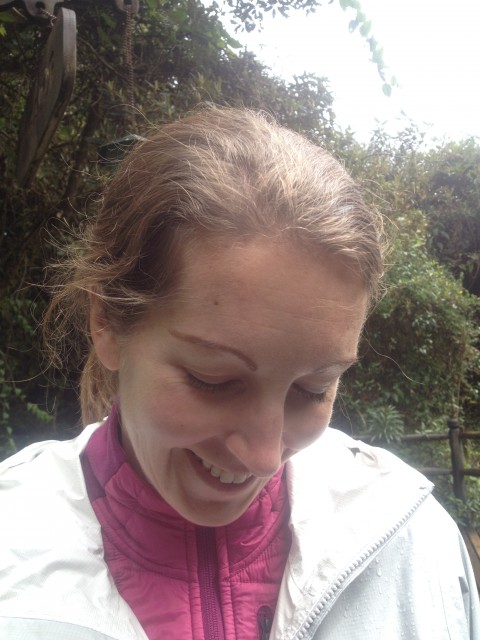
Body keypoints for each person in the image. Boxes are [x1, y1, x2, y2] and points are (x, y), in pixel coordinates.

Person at [0, 107, 478, 640]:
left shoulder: (413, 544)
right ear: (107, 321)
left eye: (313, 389)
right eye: (214, 380)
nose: (264, 457)